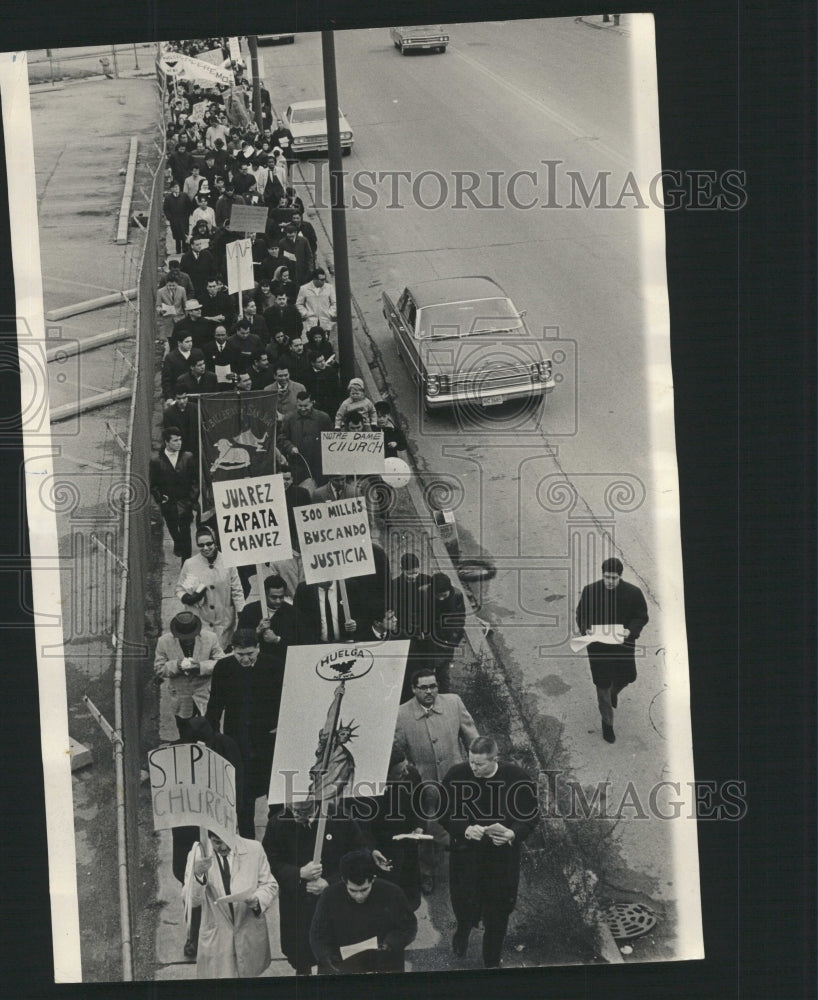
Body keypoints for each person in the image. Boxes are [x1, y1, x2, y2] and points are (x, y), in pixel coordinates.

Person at [440, 736, 540, 968]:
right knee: (464, 903)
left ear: (494, 759)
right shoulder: (457, 775)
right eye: (471, 762)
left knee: (498, 914)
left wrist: (512, 834)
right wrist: (464, 828)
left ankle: (492, 963)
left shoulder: (516, 777)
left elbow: (531, 814)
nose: (473, 768)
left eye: (479, 764)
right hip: (466, 856)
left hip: (501, 859)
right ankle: (462, 933)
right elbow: (443, 813)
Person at [394, 668, 479, 894]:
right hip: (426, 786)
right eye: (423, 687)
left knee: (464, 823)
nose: (430, 691)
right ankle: (427, 873)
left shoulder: (453, 703)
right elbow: (397, 753)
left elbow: (473, 739)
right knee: (427, 832)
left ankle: (467, 868)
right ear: (413, 689)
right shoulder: (402, 715)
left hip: (458, 782)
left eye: (433, 686)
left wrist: (478, 766)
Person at [262, 799, 366, 975]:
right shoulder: (278, 822)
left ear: (316, 803)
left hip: (332, 903)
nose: (295, 815)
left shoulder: (341, 819)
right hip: (296, 903)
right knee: (300, 951)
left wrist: (330, 883)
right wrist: (298, 873)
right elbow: (268, 861)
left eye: (303, 811)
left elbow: (359, 856)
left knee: (331, 951)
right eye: (293, 808)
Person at [169, 716, 243, 959]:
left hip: (217, 826)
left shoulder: (227, 747)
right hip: (188, 830)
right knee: (191, 883)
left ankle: (221, 931)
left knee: (222, 881)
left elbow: (238, 787)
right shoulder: (175, 754)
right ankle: (193, 935)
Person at [204, 630, 284, 837]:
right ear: (232, 650)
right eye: (240, 655)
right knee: (242, 799)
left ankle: (275, 841)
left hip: (269, 742)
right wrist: (211, 738)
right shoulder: (223, 668)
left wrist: (282, 727)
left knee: (275, 797)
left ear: (258, 648)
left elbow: (289, 700)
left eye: (250, 653)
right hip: (238, 743)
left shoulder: (274, 665)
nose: (246, 659)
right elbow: (215, 706)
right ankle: (248, 844)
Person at [575, 556, 649, 744]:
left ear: (620, 576)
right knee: (602, 686)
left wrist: (630, 630)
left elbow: (641, 617)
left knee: (628, 677)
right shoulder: (590, 591)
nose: (609, 581)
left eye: (613, 578)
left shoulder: (633, 593)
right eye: (607, 577)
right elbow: (581, 613)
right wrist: (586, 629)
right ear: (602, 575)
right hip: (598, 649)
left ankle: (614, 692)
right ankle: (607, 725)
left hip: (622, 646)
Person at [184, 830, 278, 978]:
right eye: (217, 842)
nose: (223, 847)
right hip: (218, 937)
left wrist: (258, 900)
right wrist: (198, 876)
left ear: (236, 831)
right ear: (209, 839)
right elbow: (192, 901)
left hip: (249, 929)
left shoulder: (255, 849)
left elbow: (270, 885)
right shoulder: (197, 856)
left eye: (227, 840)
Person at [309, 849, 418, 974]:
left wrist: (390, 943)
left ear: (373, 879)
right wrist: (325, 956)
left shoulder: (393, 893)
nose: (359, 896)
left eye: (364, 889)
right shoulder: (329, 896)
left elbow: (409, 927)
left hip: (384, 961)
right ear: (344, 881)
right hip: (343, 963)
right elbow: (318, 935)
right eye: (353, 890)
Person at [354, 748, 426, 910]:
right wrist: (371, 850)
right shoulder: (365, 791)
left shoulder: (411, 775)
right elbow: (362, 828)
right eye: (400, 773)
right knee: (386, 896)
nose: (406, 772)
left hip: (409, 845)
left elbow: (420, 804)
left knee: (409, 891)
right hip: (384, 850)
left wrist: (420, 826)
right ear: (384, 775)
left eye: (406, 767)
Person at [154, 610, 224, 735]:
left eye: (191, 637)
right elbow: (159, 669)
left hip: (205, 696)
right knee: (186, 733)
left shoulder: (210, 638)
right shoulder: (163, 642)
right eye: (183, 638)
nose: (188, 641)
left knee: (212, 731)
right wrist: (177, 665)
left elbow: (222, 663)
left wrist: (201, 667)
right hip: (181, 698)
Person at [176, 526, 245, 649]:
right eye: (201, 545)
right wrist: (188, 598)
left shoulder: (228, 562)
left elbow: (237, 591)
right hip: (201, 620)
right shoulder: (190, 564)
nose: (206, 548)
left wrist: (242, 614)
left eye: (209, 544)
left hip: (223, 621)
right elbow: (180, 589)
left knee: (222, 653)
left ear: (216, 542)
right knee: (204, 654)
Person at [149, 427, 198, 561]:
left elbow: (195, 480)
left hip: (184, 503)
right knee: (172, 528)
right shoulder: (156, 461)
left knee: (186, 533)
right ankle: (177, 542)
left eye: (180, 439)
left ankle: (186, 565)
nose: (179, 443)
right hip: (168, 504)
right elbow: (153, 485)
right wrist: (160, 498)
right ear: (167, 442)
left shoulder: (188, 457)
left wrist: (191, 499)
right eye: (175, 440)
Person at [422, 572, 466, 694]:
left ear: (449, 590)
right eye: (438, 595)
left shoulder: (457, 595)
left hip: (446, 639)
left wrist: (453, 640)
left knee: (443, 673)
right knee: (425, 670)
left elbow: (459, 619)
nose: (441, 598)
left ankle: (444, 696)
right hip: (428, 639)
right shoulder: (423, 593)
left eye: (444, 595)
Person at [279, 391, 333, 489]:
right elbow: (282, 437)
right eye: (300, 406)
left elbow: (331, 438)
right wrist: (290, 447)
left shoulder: (323, 418)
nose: (303, 409)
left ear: (312, 403)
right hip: (298, 464)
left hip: (319, 464)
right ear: (296, 404)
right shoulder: (289, 418)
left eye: (306, 406)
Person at [237, 573, 296, 661]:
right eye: (273, 597)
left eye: (281, 597)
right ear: (265, 594)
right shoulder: (249, 610)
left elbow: (298, 642)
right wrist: (256, 631)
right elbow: (238, 640)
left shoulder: (292, 612)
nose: (278, 601)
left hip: (282, 661)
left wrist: (277, 639)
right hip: (257, 662)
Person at [155, 266, 187, 345]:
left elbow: (185, 304)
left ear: (177, 284)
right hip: (167, 319)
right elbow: (158, 306)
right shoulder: (160, 292)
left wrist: (186, 317)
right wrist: (160, 310)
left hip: (180, 318)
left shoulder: (182, 290)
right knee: (169, 342)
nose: (171, 287)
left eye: (173, 286)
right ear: (166, 284)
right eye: (169, 286)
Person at [162, 333, 195, 401]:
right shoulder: (171, 358)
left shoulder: (196, 353)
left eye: (191, 341)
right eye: (187, 342)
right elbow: (166, 379)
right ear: (179, 343)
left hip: (194, 394)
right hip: (178, 395)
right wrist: (169, 397)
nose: (190, 344)